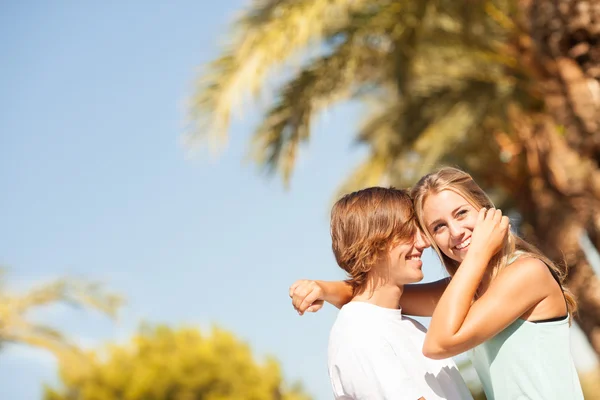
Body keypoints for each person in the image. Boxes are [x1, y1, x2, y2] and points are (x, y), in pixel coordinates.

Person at [290, 167, 584, 400]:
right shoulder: (464, 291)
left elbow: (439, 344)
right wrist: (323, 288)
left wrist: (478, 254)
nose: (455, 232)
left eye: (461, 213)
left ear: (485, 210)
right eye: (438, 227)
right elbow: (381, 296)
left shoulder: (526, 273)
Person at [313, 186, 477, 399]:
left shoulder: (406, 326)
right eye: (408, 233)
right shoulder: (359, 330)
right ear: (373, 242)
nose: (424, 242)